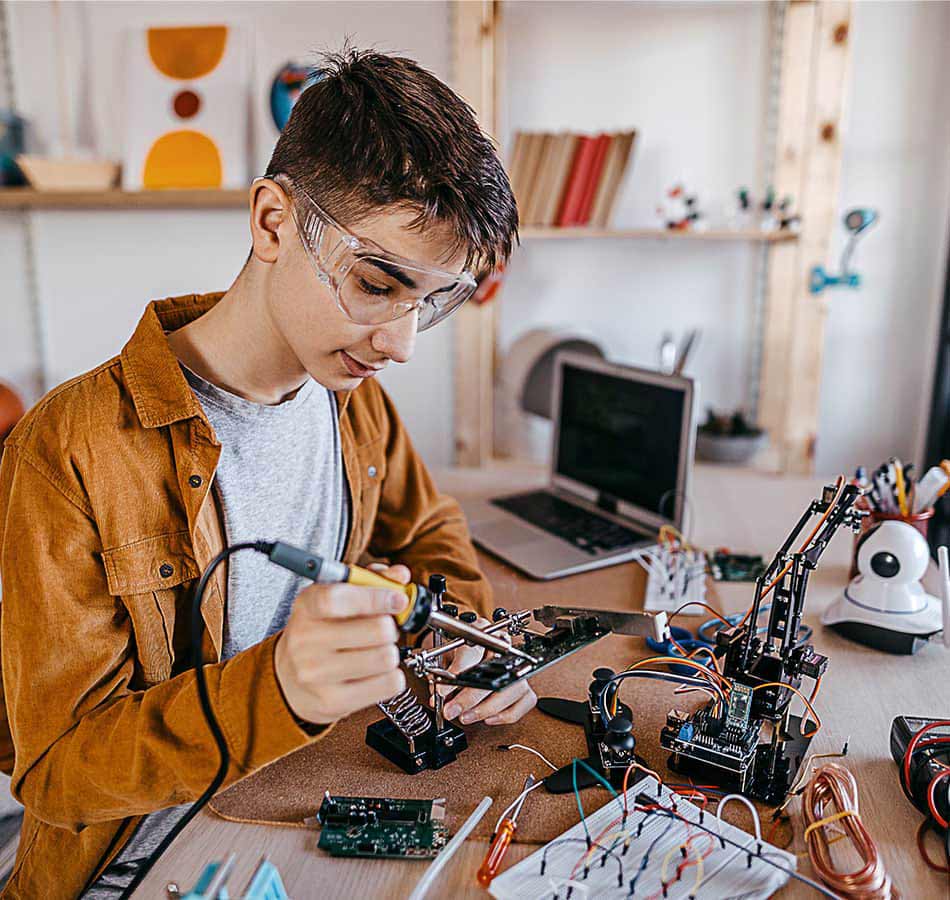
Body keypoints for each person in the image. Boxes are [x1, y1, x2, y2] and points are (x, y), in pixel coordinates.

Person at [0, 48, 528, 899]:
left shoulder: (349, 396)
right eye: (377, 282)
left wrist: (455, 643)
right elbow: (57, 775)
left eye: (431, 302)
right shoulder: (70, 448)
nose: (401, 343)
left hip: (304, 809)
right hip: (136, 859)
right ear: (273, 222)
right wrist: (276, 687)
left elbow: (429, 533)